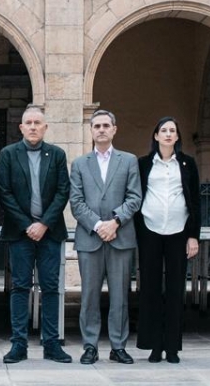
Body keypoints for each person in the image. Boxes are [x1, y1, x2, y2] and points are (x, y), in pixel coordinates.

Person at [0, 105, 71, 364]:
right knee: (20, 287)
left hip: (50, 232)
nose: (33, 127)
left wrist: (43, 224)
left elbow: (63, 191)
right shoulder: (8, 154)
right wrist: (28, 224)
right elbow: (4, 192)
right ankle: (19, 345)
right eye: (28, 123)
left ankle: (51, 344)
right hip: (20, 233)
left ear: (45, 127)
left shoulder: (57, 155)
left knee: (50, 287)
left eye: (37, 123)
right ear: (21, 127)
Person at [69, 110, 142, 365]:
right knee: (89, 296)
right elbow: (76, 202)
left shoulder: (128, 160)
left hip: (120, 237)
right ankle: (90, 346)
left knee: (120, 296)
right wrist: (99, 225)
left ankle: (118, 346)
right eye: (97, 126)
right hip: (90, 238)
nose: (101, 129)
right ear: (91, 130)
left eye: (106, 125)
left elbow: (134, 197)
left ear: (114, 129)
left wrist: (115, 222)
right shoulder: (80, 163)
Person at [135, 116, 200, 364]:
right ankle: (154, 345)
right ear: (156, 136)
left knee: (175, 289)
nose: (168, 134)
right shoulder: (143, 164)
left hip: (178, 231)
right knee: (150, 288)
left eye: (173, 130)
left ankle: (172, 347)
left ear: (177, 136)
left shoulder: (187, 163)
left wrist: (193, 235)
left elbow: (195, 200)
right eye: (164, 130)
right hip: (150, 230)